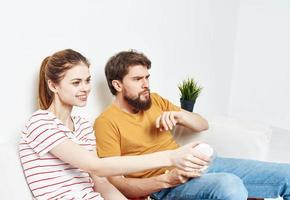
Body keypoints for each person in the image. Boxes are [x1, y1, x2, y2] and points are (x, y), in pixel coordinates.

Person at [94, 49, 290, 200]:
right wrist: (165, 180)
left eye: (147, 77)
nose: (146, 84)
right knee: (229, 185)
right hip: (167, 184)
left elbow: (202, 124)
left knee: (287, 174)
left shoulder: (155, 100)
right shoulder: (106, 123)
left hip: (201, 163)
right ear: (117, 85)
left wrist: (180, 117)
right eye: (137, 79)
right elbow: (118, 183)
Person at [19, 49, 206, 200]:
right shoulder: (41, 123)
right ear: (53, 86)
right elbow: (96, 166)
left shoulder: (83, 126)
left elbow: (102, 183)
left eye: (87, 80)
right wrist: (171, 157)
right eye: (76, 83)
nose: (85, 88)